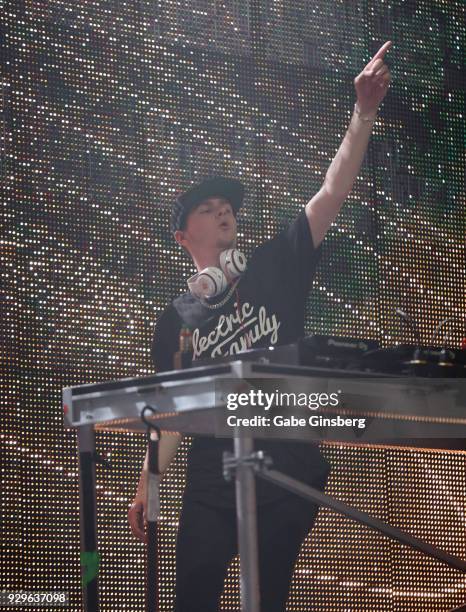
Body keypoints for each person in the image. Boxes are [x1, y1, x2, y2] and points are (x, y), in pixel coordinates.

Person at [129, 41, 392, 611]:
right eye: (208, 207)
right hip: (208, 478)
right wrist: (148, 480)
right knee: (192, 598)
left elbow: (332, 191)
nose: (224, 210)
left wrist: (362, 113)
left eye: (228, 204)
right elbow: (172, 413)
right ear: (183, 236)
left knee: (265, 599)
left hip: (285, 466)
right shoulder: (176, 318)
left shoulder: (275, 263)